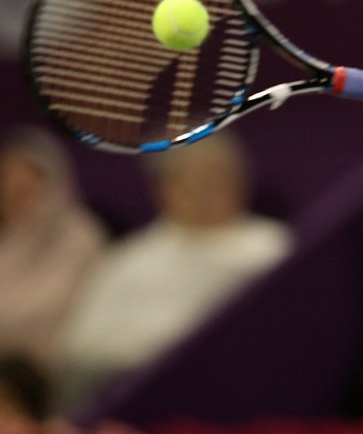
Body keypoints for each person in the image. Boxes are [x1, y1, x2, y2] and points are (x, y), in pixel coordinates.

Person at [56, 131, 291, 415]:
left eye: (216, 178)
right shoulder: (130, 260)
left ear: (240, 182)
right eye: (191, 181)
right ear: (163, 190)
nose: (205, 192)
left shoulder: (276, 249)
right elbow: (84, 352)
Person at [0, 126, 106, 374]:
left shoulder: (82, 237)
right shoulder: (8, 240)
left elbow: (55, 313)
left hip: (48, 376)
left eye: (28, 190)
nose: (20, 198)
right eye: (13, 191)